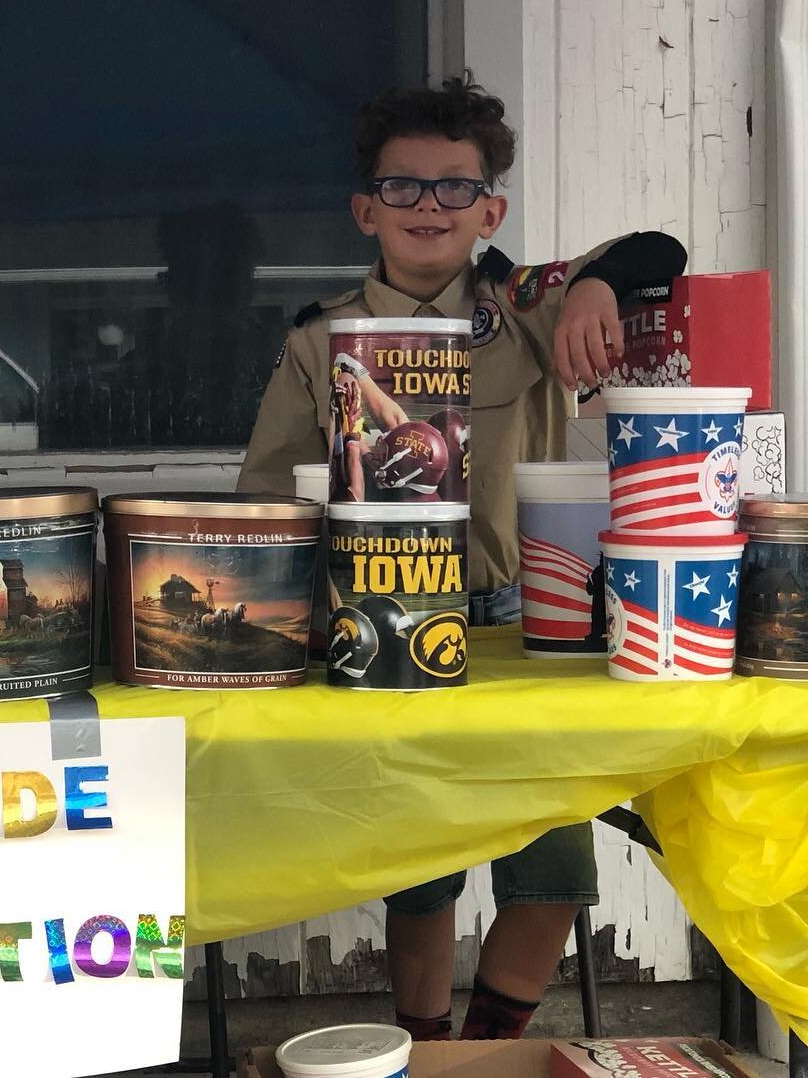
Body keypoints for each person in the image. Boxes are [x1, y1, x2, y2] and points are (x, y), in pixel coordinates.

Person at [238, 75, 686, 1042]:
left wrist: (596, 288)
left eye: (455, 187)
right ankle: (425, 1048)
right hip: (388, 615)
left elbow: (659, 254)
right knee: (419, 856)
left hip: (532, 619)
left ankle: (489, 1049)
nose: (429, 207)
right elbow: (268, 499)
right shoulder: (323, 340)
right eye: (403, 188)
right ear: (366, 208)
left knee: (555, 859)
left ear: (493, 208)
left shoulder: (527, 307)